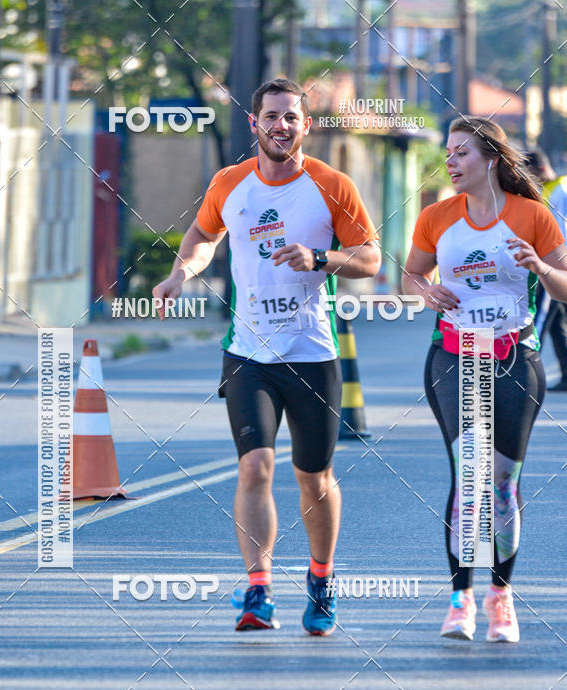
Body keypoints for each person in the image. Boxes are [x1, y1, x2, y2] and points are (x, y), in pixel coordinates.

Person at [152, 78, 381, 634]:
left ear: (306, 125)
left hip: (312, 354)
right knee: (255, 466)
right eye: (271, 116)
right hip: (248, 354)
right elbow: (203, 239)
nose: (281, 126)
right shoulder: (230, 183)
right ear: (254, 123)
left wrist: (322, 257)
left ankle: (321, 582)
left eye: (291, 118)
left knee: (314, 477)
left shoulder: (331, 185)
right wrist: (180, 274)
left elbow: (371, 259)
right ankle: (258, 591)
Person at [403, 116, 567, 643]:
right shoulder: (436, 217)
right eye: (448, 153)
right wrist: (426, 293)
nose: (450, 162)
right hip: (454, 355)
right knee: (468, 475)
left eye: (461, 154)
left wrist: (540, 267)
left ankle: (501, 598)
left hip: (514, 357)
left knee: (500, 483)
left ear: (491, 160)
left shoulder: (533, 216)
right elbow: (410, 275)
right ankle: (460, 601)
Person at [525, 149, 567, 391]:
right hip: (554, 267)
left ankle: (524, 371)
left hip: (555, 268)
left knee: (538, 320)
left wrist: (548, 270)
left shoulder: (559, 192)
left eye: (529, 174)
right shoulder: (553, 189)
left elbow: (559, 236)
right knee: (556, 323)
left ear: (539, 169)